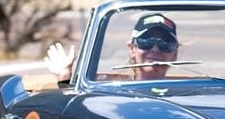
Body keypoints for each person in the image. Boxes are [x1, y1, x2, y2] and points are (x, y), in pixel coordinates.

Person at [44, 11, 180, 83]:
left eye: (165, 44)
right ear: (132, 49)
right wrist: (65, 76)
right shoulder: (109, 88)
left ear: (175, 54)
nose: (155, 49)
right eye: (146, 42)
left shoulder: (185, 94)